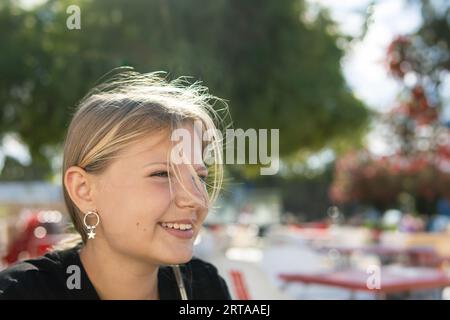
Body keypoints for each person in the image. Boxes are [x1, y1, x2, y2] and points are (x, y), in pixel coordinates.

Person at [0, 68, 231, 300]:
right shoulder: (19, 293)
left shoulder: (205, 287)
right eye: (162, 174)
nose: (196, 198)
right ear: (83, 190)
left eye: (199, 177)